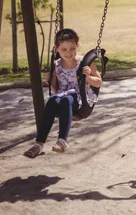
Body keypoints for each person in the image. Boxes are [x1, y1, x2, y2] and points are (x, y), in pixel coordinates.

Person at [23, 28, 102, 158]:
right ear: (57, 49)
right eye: (64, 49)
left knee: (66, 100)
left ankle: (62, 141)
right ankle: (39, 144)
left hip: (80, 97)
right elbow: (55, 89)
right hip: (63, 94)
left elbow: (98, 82)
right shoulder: (57, 65)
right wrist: (49, 82)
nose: (68, 53)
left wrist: (87, 77)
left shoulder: (85, 63)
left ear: (77, 46)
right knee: (52, 101)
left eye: (72, 48)